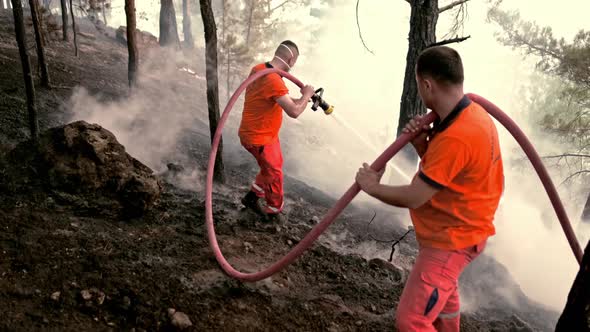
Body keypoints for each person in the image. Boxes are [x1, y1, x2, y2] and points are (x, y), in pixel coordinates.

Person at [355, 46, 504, 331]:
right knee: (443, 302)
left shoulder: (458, 136)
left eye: (418, 85)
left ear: (426, 84)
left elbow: (415, 196)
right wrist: (423, 145)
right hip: (463, 230)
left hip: (451, 240)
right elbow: (454, 173)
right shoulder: (472, 116)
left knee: (412, 320)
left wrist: (372, 186)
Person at [239, 40, 315, 220]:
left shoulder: (260, 69)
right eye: (295, 62)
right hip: (258, 139)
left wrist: (303, 98)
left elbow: (282, 100)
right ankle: (274, 212)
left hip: (266, 135)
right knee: (274, 173)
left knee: (273, 166)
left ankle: (251, 197)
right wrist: (306, 95)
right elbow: (294, 112)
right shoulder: (273, 80)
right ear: (291, 59)